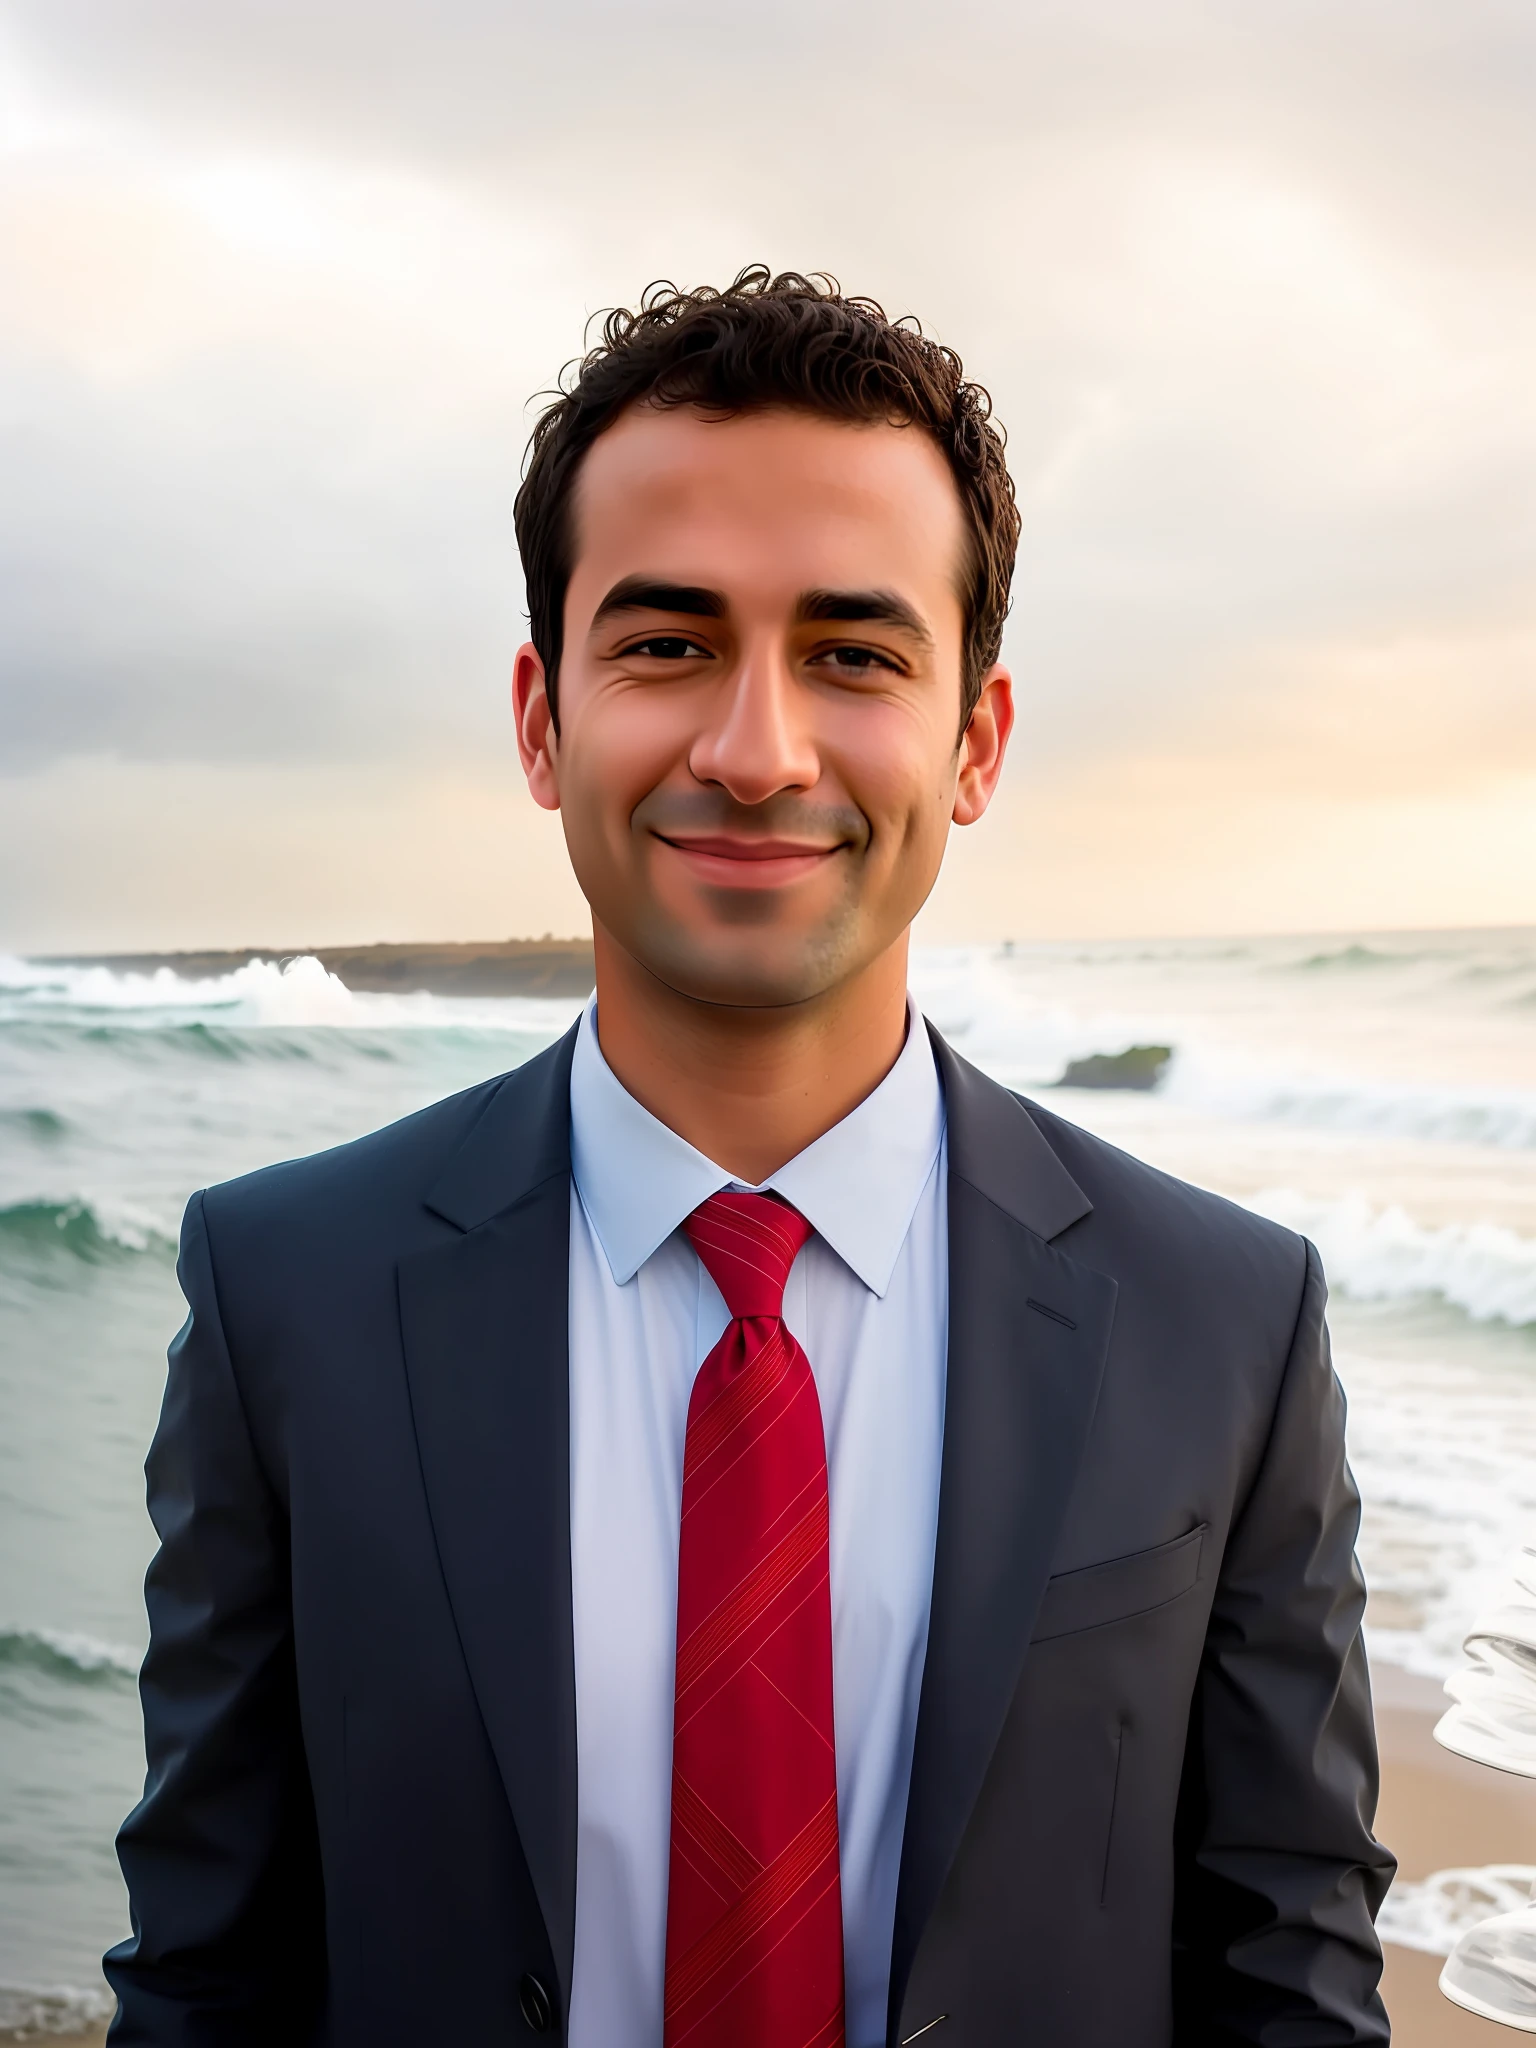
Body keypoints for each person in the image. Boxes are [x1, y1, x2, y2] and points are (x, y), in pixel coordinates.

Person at [106, 268, 1394, 2047]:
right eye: (668, 643)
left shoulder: (1227, 1325)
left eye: (854, 655)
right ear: (544, 722)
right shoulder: (288, 1300)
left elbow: (1289, 1968)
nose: (755, 748)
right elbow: (208, 1971)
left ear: (976, 743)